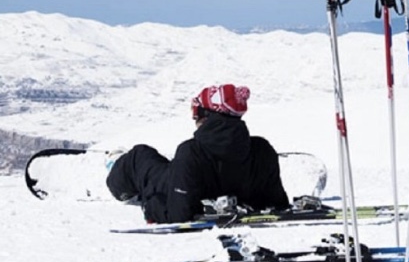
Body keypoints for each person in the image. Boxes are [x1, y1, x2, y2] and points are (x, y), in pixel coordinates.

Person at [105, 84, 290, 224]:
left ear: (206, 115)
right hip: (187, 180)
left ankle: (116, 167)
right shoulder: (262, 149)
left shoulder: (191, 152)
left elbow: (178, 215)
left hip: (169, 185)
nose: (194, 118)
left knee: (140, 156)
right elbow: (277, 203)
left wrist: (149, 204)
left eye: (197, 112)